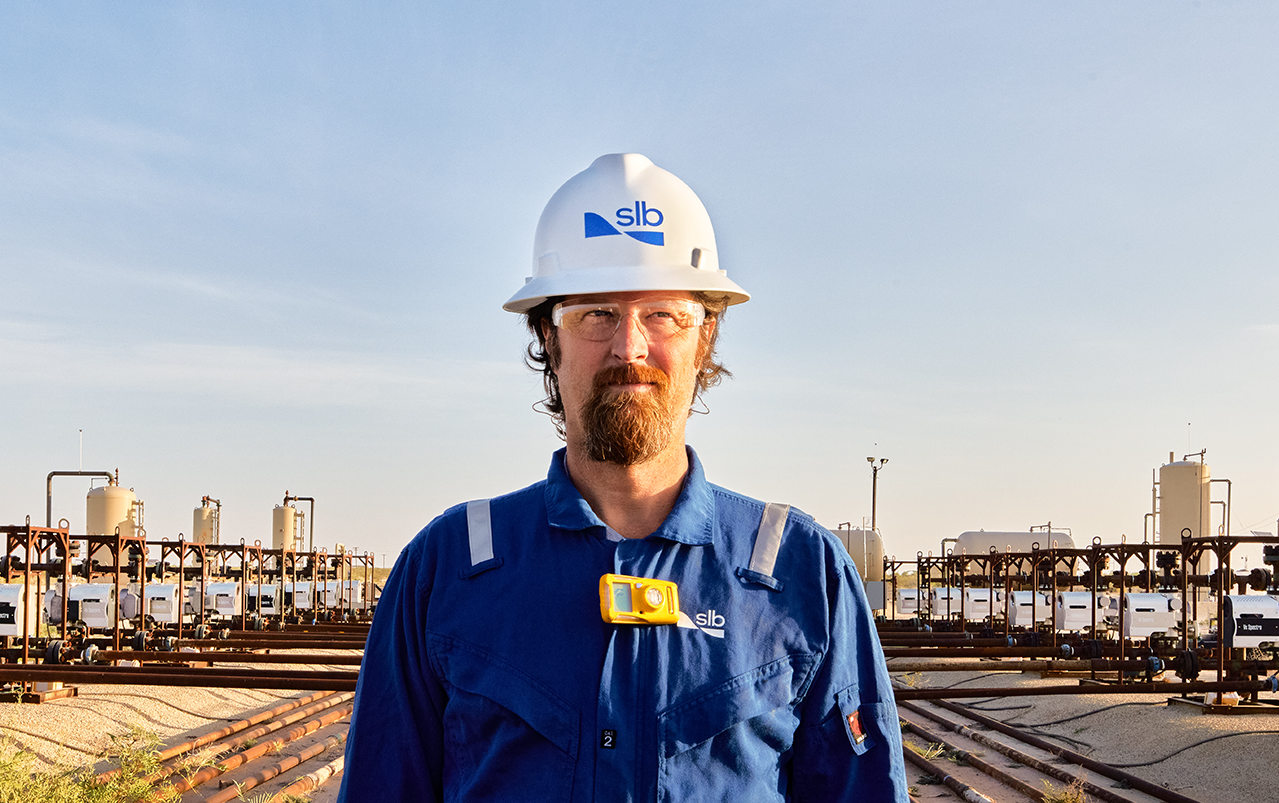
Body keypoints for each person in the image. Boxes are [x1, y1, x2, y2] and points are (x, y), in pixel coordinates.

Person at [338, 153, 905, 802]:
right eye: (596, 314)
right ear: (546, 337)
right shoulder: (449, 568)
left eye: (663, 315)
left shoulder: (802, 573)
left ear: (705, 338)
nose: (629, 347)